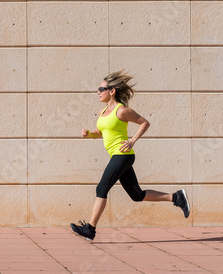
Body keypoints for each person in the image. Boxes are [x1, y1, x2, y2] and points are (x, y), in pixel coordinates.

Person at [70, 70, 189, 241]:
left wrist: (132, 140)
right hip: (116, 156)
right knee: (137, 195)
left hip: (122, 155)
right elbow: (101, 132)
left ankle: (90, 229)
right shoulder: (103, 112)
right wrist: (89, 133)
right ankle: (177, 197)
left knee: (101, 188)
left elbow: (144, 123)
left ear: (112, 91)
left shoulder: (122, 111)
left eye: (101, 88)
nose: (98, 92)